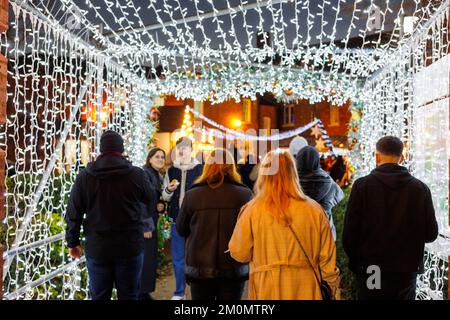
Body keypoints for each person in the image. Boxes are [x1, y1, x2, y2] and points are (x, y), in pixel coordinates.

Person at [229, 149, 340, 300]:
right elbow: (327, 259)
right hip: (307, 288)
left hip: (267, 288)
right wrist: (333, 289)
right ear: (293, 173)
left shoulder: (252, 211)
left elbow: (239, 253)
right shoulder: (314, 210)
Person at [343, 136, 438, 300]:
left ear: (377, 156)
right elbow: (431, 234)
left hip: (373, 268)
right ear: (402, 157)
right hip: (405, 271)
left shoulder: (362, 186)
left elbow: (350, 235)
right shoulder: (420, 189)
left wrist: (359, 263)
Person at [65, 130, 153, 300]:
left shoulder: (85, 177)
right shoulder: (136, 174)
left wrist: (72, 242)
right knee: (129, 295)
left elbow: (73, 212)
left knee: (99, 296)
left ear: (101, 149)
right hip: (129, 246)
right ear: (121, 149)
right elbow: (150, 198)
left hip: (98, 247)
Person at [176, 149, 253, 300]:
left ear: (207, 167)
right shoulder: (244, 195)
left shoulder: (193, 195)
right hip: (233, 267)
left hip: (199, 268)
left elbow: (181, 228)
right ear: (232, 166)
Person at [162, 137, 203, 300]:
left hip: (196, 222)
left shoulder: (200, 169)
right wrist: (169, 189)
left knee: (197, 258)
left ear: (191, 150)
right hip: (176, 221)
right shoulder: (171, 170)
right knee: (178, 259)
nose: (181, 150)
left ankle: (197, 292)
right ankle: (179, 292)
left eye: (185, 147)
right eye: (178, 147)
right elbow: (164, 197)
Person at [296, 146, 344, 241]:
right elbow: (340, 195)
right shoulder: (328, 182)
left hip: (297, 235)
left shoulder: (290, 183)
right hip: (323, 236)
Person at [139, 148, 166, 300]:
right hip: (145, 224)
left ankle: (144, 291)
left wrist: (160, 205)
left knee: (150, 258)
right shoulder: (145, 174)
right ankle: (141, 293)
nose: (161, 159)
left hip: (152, 220)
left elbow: (153, 198)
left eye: (163, 157)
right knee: (146, 258)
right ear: (149, 159)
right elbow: (141, 201)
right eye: (157, 157)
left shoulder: (156, 175)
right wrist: (146, 226)